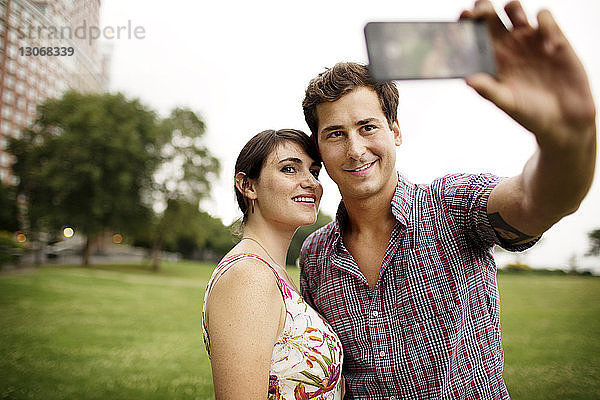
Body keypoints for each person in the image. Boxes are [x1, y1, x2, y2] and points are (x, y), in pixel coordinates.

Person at [299, 1, 596, 399]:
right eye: (335, 134)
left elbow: (537, 200)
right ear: (319, 147)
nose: (355, 149)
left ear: (396, 131)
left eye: (367, 127)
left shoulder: (450, 206)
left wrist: (567, 140)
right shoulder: (314, 255)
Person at [202, 129, 344, 399]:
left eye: (314, 171)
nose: (310, 182)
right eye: (290, 169)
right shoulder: (248, 276)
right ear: (248, 186)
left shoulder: (273, 273)